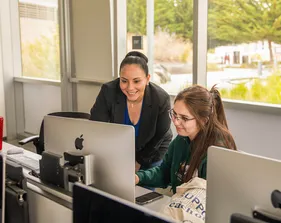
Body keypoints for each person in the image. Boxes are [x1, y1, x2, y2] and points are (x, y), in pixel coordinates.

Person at [135, 85, 237, 193]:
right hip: (181, 205)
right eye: (174, 114)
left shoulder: (216, 150)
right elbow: (165, 172)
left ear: (203, 120)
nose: (176, 122)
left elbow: (213, 197)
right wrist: (138, 177)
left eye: (184, 118)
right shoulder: (181, 139)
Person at [90, 51, 173, 172]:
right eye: (124, 81)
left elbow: (159, 135)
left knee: (144, 189)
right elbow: (96, 126)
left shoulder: (161, 98)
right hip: (119, 151)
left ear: (147, 79)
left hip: (152, 150)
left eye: (136, 81)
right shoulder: (108, 91)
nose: (130, 87)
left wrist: (139, 161)